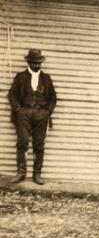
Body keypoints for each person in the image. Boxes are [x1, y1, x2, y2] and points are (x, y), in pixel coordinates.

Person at [8, 49, 57, 185]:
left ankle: (37, 174)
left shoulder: (46, 79)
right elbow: (12, 96)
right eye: (34, 63)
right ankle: (21, 172)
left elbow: (53, 98)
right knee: (22, 141)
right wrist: (19, 110)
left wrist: (47, 111)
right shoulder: (20, 77)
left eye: (39, 63)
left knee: (39, 143)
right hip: (23, 114)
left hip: (41, 115)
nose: (36, 65)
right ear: (28, 62)